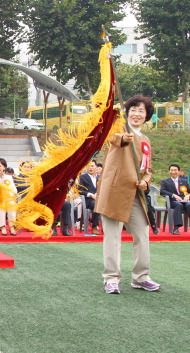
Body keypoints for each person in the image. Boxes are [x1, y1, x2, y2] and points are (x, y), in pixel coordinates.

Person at [96, 95, 160, 294]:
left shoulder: (146, 140)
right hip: (114, 192)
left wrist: (146, 182)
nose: (137, 114)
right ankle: (111, 278)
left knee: (142, 234)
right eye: (133, 109)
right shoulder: (118, 128)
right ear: (127, 112)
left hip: (135, 195)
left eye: (141, 111)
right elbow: (111, 138)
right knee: (113, 236)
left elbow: (147, 169)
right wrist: (124, 138)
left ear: (147, 115)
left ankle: (141, 277)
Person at [0, 158, 18, 236]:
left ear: (4, 168)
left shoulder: (9, 177)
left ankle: (12, 227)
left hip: (8, 198)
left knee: (12, 204)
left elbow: (14, 190)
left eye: (0, 166)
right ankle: (2, 227)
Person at [159, 164, 190, 235]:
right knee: (178, 205)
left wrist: (188, 195)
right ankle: (176, 227)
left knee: (189, 204)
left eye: (175, 170)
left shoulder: (184, 181)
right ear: (169, 171)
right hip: (172, 202)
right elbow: (162, 191)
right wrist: (173, 195)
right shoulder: (165, 181)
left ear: (179, 171)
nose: (173, 172)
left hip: (184, 201)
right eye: (171, 170)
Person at [79, 160, 100, 235]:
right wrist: (90, 194)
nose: (90, 168)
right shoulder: (83, 177)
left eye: (92, 166)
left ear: (96, 167)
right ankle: (95, 226)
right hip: (88, 200)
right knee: (95, 204)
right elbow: (80, 190)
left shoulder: (100, 178)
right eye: (88, 166)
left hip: (100, 199)